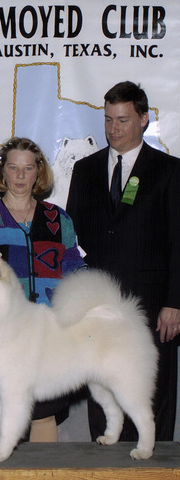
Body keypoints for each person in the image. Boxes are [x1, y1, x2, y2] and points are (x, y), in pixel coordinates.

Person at [66, 81, 180, 442]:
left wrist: (174, 303)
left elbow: (179, 242)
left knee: (152, 401)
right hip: (98, 311)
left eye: (123, 120)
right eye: (108, 120)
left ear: (144, 119)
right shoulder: (84, 171)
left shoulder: (169, 171)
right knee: (103, 398)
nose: (114, 129)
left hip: (152, 309)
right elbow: (72, 244)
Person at [0, 136, 86, 442]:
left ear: (38, 172)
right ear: (3, 172)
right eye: (13, 168)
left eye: (28, 168)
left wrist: (95, 299)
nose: (20, 176)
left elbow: (74, 266)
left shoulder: (58, 218)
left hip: (48, 331)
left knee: (44, 413)